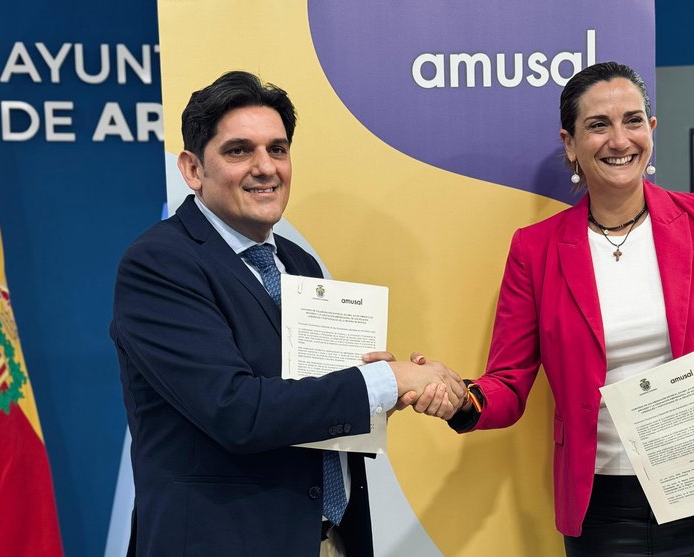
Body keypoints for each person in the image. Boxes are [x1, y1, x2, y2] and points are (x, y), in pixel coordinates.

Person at [414, 61, 694, 556]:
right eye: (597, 125)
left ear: (651, 131)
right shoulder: (535, 249)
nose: (619, 140)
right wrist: (462, 397)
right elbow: (509, 383)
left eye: (632, 121)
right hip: (605, 512)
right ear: (570, 143)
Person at [110, 71, 463, 557]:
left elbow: (305, 403)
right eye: (239, 151)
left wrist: (379, 390)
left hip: (327, 539)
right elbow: (235, 411)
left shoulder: (298, 263)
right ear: (192, 170)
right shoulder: (159, 263)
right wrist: (381, 382)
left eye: (278, 149)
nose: (265, 167)